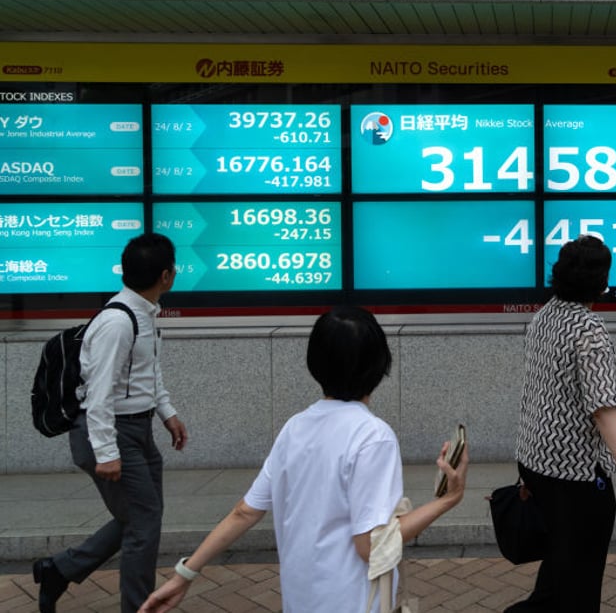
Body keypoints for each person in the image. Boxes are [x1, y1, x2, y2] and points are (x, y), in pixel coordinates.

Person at [137, 306, 468, 613]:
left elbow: (244, 512)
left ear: (315, 363)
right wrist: (448, 499)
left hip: (300, 600)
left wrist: (185, 574)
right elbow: (370, 545)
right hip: (353, 602)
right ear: (379, 363)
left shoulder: (295, 427)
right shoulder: (373, 435)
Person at [32, 233, 188, 613]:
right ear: (167, 274)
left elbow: (146, 373)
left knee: (139, 518)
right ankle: (138, 607)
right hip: (110, 433)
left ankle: (59, 569)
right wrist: (106, 452)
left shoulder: (144, 313)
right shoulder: (118, 322)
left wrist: (166, 412)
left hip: (138, 428)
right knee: (143, 524)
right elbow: (99, 392)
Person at [507, 235, 616, 613]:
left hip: (535, 459)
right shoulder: (589, 328)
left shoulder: (544, 316)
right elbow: (603, 408)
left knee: (561, 559)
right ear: (602, 282)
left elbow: (537, 390)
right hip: (575, 474)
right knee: (581, 573)